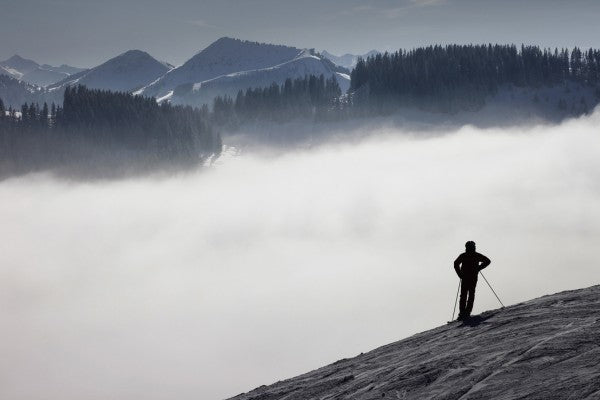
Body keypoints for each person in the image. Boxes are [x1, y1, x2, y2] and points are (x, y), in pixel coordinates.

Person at [453, 241, 491, 320]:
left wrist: (460, 274)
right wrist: (478, 268)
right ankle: (466, 313)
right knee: (470, 294)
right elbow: (487, 261)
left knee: (464, 295)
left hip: (466, 277)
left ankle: (463, 313)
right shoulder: (475, 255)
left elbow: (456, 264)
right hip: (471, 277)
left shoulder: (464, 255)